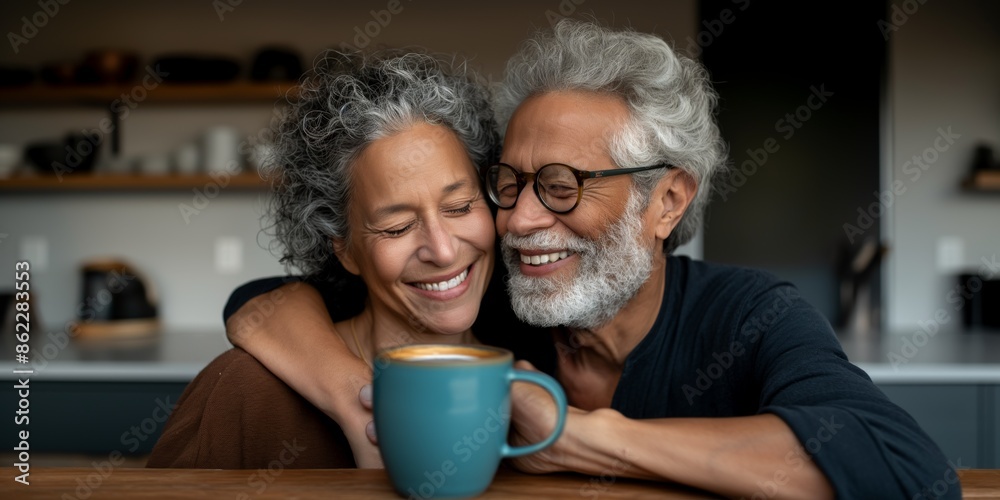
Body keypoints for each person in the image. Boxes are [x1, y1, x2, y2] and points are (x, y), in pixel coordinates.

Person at [219, 21, 958, 499]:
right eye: (509, 184)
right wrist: (355, 397)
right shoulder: (499, 306)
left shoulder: (751, 317)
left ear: (666, 202)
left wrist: (577, 436)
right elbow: (266, 299)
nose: (520, 221)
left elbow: (907, 468)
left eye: (563, 187)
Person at [147, 49, 519, 468]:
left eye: (459, 207)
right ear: (344, 249)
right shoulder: (249, 389)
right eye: (397, 228)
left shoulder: (534, 388)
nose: (444, 250)